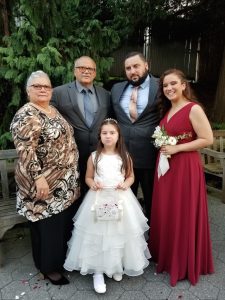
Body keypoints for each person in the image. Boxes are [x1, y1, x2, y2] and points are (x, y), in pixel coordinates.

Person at [64, 118, 150, 294]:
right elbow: (88, 177)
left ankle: (115, 266)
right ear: (100, 136)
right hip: (99, 199)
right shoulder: (94, 157)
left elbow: (130, 176)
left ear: (118, 136)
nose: (108, 136)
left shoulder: (124, 156)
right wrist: (92, 184)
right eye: (105, 133)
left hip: (120, 199)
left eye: (112, 133)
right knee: (99, 233)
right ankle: (98, 271)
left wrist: (126, 184)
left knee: (118, 233)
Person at [10, 71, 80, 285]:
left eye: (46, 86)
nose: (42, 89)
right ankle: (48, 268)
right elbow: (25, 150)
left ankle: (56, 261)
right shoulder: (27, 114)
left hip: (64, 183)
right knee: (47, 225)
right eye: (37, 86)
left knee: (58, 225)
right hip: (44, 182)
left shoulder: (52, 110)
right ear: (28, 91)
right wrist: (38, 177)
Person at [149, 69, 214, 286]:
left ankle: (184, 261)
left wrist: (178, 149)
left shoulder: (193, 109)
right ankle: (168, 255)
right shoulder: (168, 109)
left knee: (182, 211)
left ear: (184, 85)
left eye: (173, 83)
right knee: (168, 210)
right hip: (167, 168)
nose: (169, 88)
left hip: (185, 167)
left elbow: (207, 138)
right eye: (165, 85)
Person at [51, 56, 111, 200]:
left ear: (95, 73)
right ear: (74, 71)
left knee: (97, 191)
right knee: (74, 193)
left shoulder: (105, 94)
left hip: (99, 152)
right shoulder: (58, 93)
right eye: (81, 68)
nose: (86, 71)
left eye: (90, 69)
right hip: (70, 155)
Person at [111, 51, 160, 218]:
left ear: (146, 65)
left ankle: (154, 239)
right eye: (128, 68)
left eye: (136, 66)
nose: (132, 71)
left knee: (153, 201)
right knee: (123, 201)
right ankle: (126, 238)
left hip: (150, 156)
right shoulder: (116, 89)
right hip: (122, 156)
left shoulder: (160, 86)